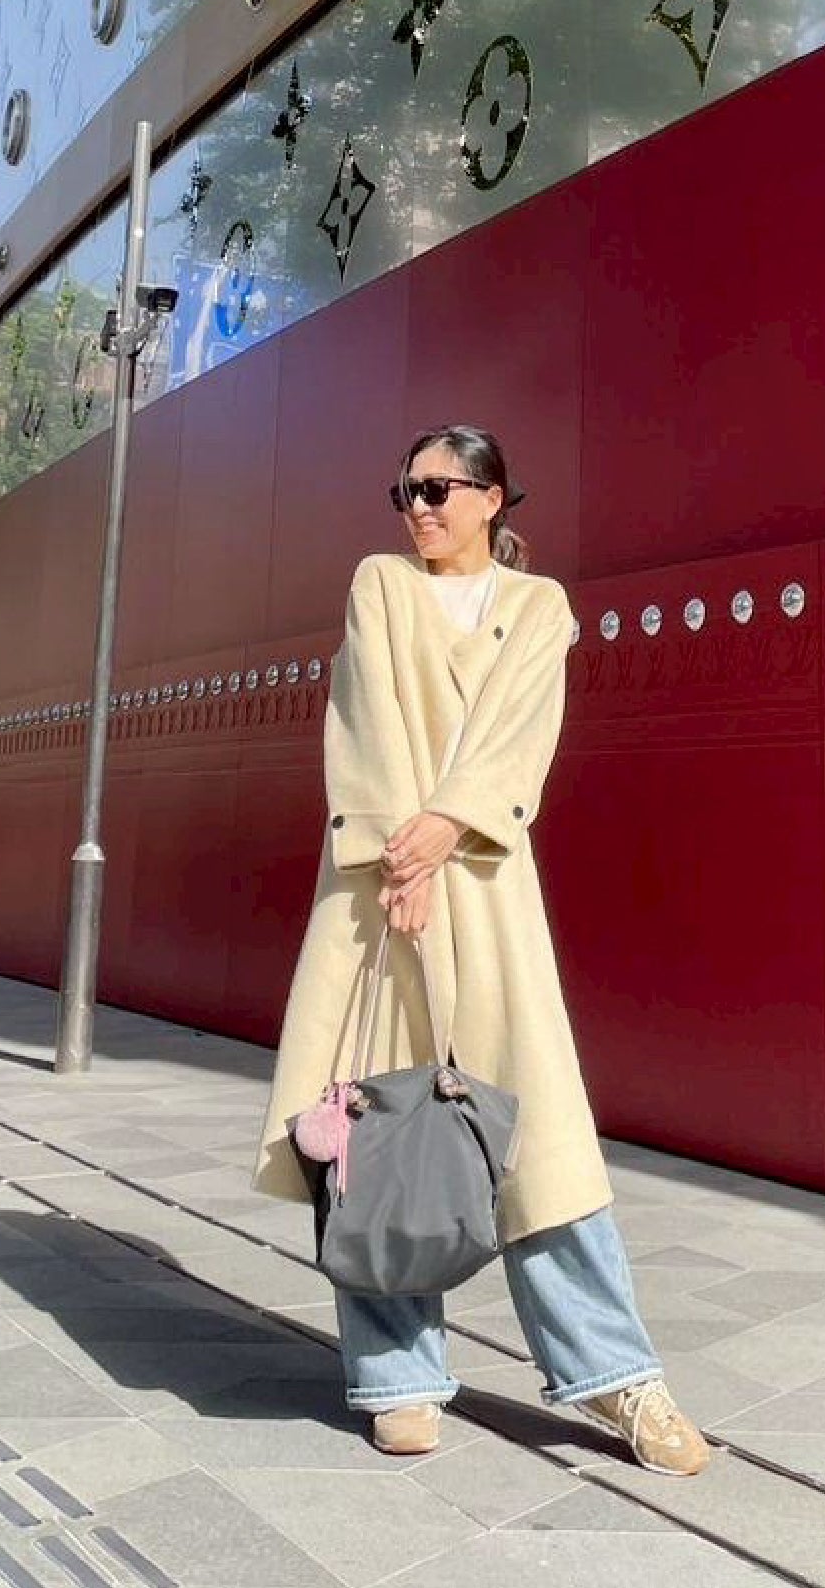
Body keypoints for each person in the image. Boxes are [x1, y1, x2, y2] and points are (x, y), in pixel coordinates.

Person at [254, 426, 710, 1476]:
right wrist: (400, 853)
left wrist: (444, 831)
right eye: (404, 492)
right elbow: (366, 721)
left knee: (537, 1140)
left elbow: (518, 733)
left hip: (485, 882)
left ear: (493, 496)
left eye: (438, 489)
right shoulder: (379, 584)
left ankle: (618, 1379)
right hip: (377, 891)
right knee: (375, 1132)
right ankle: (396, 1378)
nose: (417, 508)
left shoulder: (537, 605)